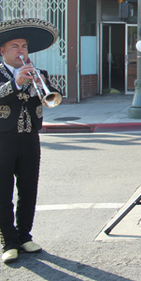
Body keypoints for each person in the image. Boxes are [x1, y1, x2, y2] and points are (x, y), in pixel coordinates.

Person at [0, 18, 61, 263]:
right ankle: (8, 241)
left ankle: (25, 235)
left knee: (28, 189)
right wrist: (15, 83)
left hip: (30, 139)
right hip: (2, 140)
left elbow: (55, 96)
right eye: (15, 46)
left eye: (24, 46)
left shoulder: (38, 73)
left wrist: (39, 84)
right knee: (3, 193)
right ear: (2, 50)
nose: (21, 51)